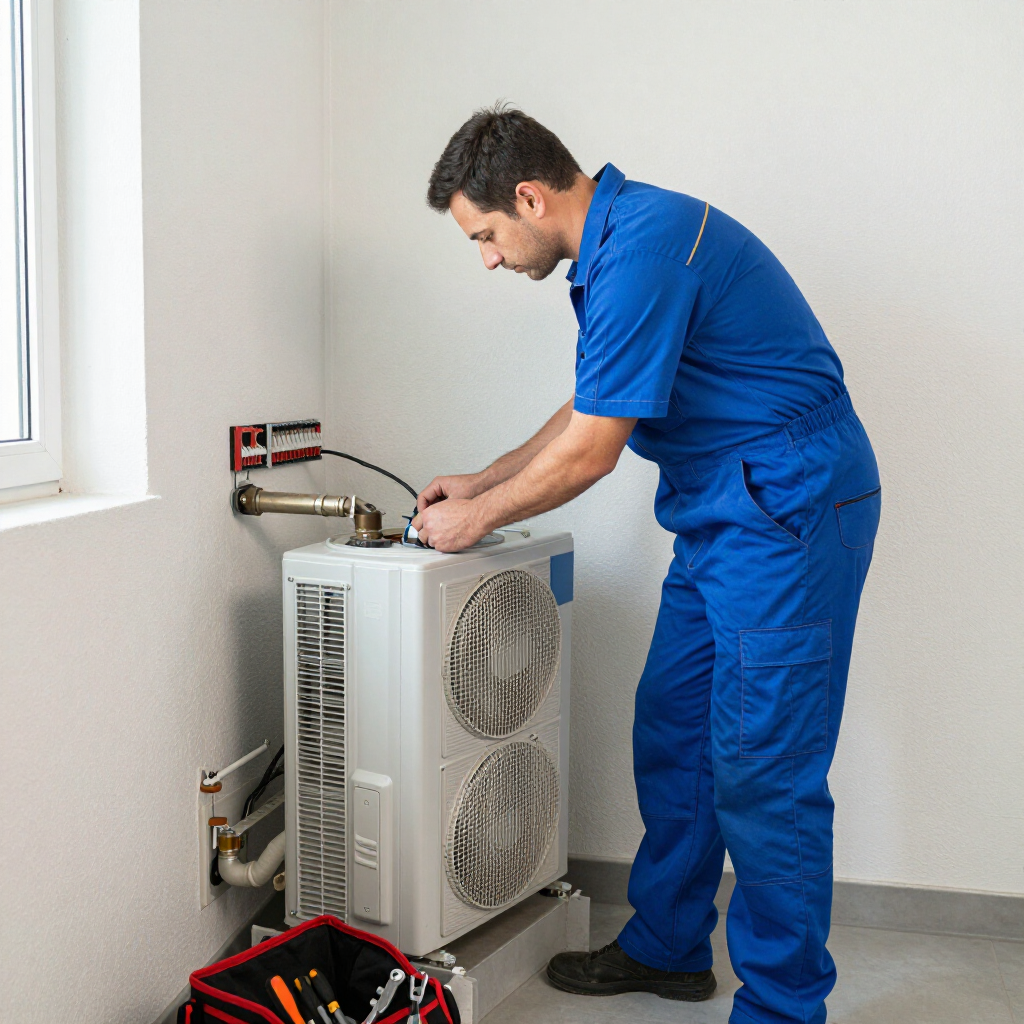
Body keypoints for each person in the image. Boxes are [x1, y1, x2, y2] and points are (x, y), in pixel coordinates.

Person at [415, 105, 880, 1024]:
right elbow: (594, 402)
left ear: (529, 196)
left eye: (486, 236)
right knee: (673, 727)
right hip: (725, 507)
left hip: (785, 504)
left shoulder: (645, 248)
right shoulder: (618, 245)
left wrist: (479, 522)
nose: (490, 259)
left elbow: (593, 452)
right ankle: (669, 947)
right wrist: (484, 478)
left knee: (764, 766)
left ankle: (785, 1008)